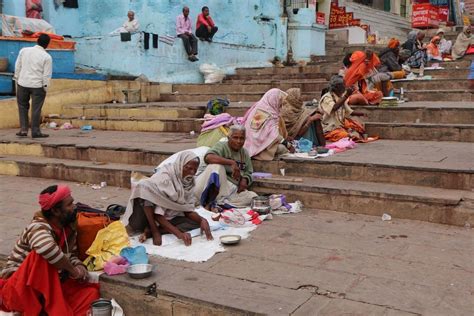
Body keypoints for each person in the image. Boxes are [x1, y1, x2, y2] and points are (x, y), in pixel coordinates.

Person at [0, 185, 100, 315]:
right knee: (40, 256)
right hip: (19, 290)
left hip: (48, 290)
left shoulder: (68, 229)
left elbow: (71, 255)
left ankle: (47, 310)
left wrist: (79, 267)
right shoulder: (37, 226)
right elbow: (46, 249)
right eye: (69, 204)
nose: (74, 207)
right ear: (56, 211)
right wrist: (72, 270)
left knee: (90, 293)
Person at [122, 151, 213, 246]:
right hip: (145, 216)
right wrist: (179, 234)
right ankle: (154, 230)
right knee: (145, 188)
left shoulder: (189, 183)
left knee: (196, 224)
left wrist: (202, 220)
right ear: (180, 164)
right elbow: (158, 214)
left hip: (167, 217)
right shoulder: (166, 177)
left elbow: (187, 209)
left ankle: (153, 231)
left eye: (195, 170)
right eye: (188, 168)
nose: (192, 173)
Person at [195, 125, 258, 210]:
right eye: (235, 138)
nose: (239, 141)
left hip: (231, 190)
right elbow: (208, 157)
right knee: (216, 167)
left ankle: (220, 203)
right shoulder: (222, 146)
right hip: (218, 185)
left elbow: (249, 171)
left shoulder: (244, 153)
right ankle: (210, 202)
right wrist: (231, 162)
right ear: (229, 138)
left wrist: (245, 179)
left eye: (241, 138)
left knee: (253, 196)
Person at [14, 33, 52, 138]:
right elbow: (46, 75)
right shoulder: (47, 57)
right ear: (47, 44)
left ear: (37, 41)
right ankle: (35, 131)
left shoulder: (24, 51)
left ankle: (23, 130)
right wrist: (45, 88)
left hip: (22, 83)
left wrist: (17, 79)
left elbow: (18, 66)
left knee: (22, 106)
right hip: (38, 86)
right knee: (36, 109)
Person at [242, 88, 294, 160]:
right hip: (257, 146)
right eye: (279, 102)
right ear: (274, 100)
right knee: (282, 149)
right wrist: (288, 145)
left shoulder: (261, 108)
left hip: (255, 143)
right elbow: (274, 135)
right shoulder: (266, 113)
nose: (280, 105)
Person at [318, 75, 366, 142]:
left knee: (358, 127)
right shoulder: (326, 98)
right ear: (337, 87)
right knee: (345, 136)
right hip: (329, 128)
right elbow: (334, 107)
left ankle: (350, 134)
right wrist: (346, 95)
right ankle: (347, 135)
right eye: (343, 85)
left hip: (340, 125)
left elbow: (349, 111)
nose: (345, 86)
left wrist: (363, 114)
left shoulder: (341, 97)